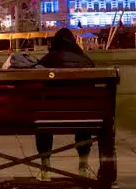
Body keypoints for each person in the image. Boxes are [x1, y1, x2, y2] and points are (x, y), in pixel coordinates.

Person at [35, 27, 95, 180]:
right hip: (83, 118)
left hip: (51, 116)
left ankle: (45, 167)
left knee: (43, 116)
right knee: (83, 112)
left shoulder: (48, 59)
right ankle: (83, 165)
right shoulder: (87, 61)